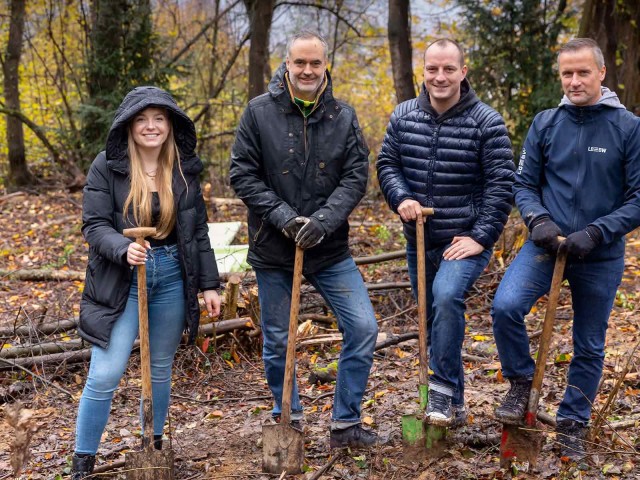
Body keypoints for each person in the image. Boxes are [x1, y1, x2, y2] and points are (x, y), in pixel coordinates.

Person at [491, 38, 640, 461]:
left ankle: (573, 424)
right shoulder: (545, 123)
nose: (574, 81)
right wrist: (538, 220)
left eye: (582, 72)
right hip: (546, 247)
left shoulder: (628, 128)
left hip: (600, 253)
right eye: (567, 74)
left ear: (601, 73)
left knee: (589, 344)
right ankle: (521, 382)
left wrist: (596, 232)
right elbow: (524, 183)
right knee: (505, 306)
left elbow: (638, 196)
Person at [229, 30, 379, 448]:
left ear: (325, 65)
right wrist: (284, 218)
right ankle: (288, 420)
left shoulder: (343, 116)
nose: (308, 70)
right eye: (300, 63)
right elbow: (242, 174)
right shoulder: (258, 112)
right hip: (274, 248)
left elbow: (355, 177)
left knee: (364, 327)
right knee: (279, 339)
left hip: (329, 250)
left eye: (315, 63)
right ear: (287, 64)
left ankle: (345, 424)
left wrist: (324, 221)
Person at [71, 86, 221, 478]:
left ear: (170, 124)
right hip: (122, 280)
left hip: (173, 275)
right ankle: (82, 462)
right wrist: (122, 247)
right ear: (128, 125)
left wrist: (209, 284)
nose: (150, 126)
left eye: (159, 119)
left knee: (159, 369)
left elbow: (198, 231)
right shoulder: (107, 165)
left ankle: (152, 448)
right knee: (105, 372)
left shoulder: (184, 167)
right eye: (141, 119)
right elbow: (94, 224)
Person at [377, 39, 515, 427]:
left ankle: (441, 388)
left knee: (447, 296)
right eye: (433, 69)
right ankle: (451, 406)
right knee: (430, 317)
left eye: (448, 69)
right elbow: (388, 164)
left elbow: (501, 186)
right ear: (424, 72)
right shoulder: (403, 116)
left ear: (463, 72)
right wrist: (401, 198)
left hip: (464, 240)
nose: (440, 77)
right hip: (419, 238)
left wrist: (481, 236)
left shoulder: (487, 122)